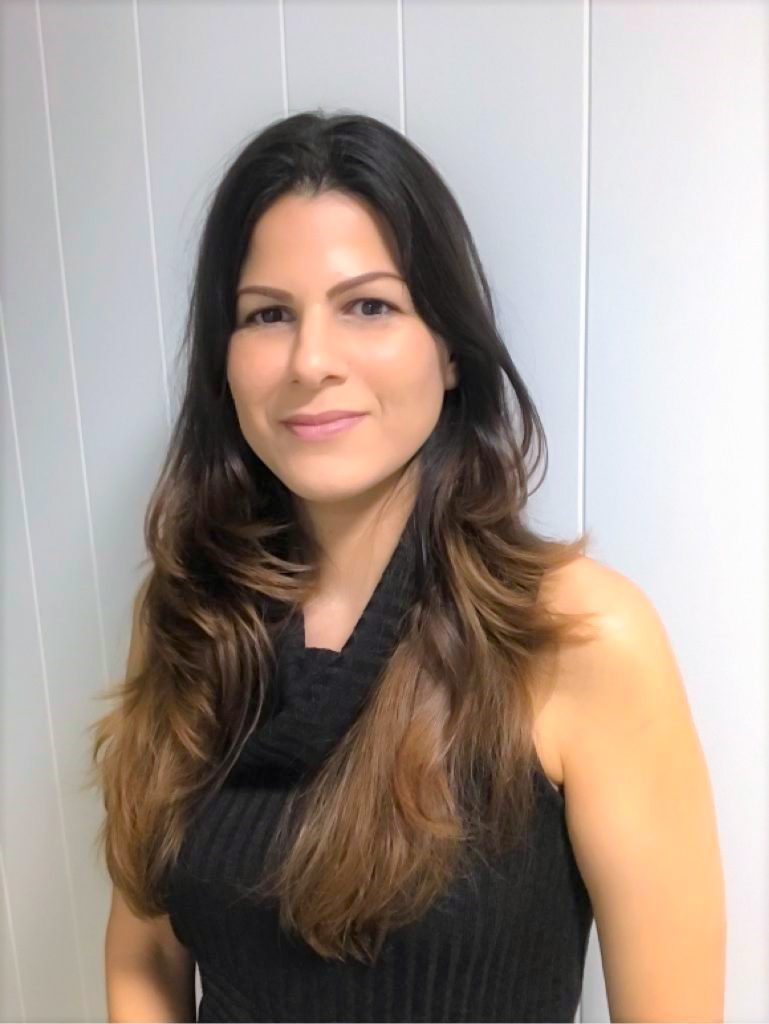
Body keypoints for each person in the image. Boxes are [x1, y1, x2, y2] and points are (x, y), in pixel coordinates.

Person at [88, 109, 725, 1023]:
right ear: (223, 363)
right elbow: (143, 957)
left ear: (452, 348)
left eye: (369, 306)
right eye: (268, 314)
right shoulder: (191, 618)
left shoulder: (580, 636)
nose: (310, 361)